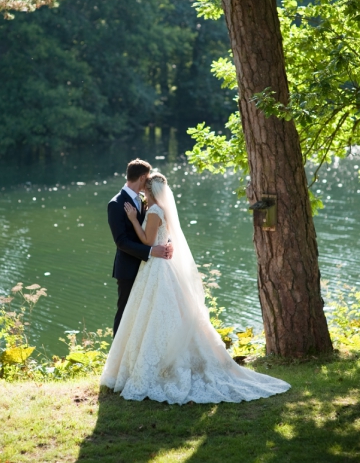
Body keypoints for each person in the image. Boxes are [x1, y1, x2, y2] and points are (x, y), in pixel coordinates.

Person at [101, 172, 290, 403]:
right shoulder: (160, 209)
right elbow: (159, 237)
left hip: (156, 268)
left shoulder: (153, 210)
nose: (143, 193)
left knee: (155, 315)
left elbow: (149, 241)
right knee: (159, 314)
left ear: (149, 190)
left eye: (146, 190)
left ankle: (155, 366)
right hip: (157, 267)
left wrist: (134, 221)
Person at [107, 159, 173, 336]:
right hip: (129, 268)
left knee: (148, 314)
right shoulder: (116, 203)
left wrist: (168, 243)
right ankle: (117, 357)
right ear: (143, 177)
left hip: (151, 268)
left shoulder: (146, 200)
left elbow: (159, 225)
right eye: (148, 177)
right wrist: (151, 251)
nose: (150, 181)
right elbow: (121, 241)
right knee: (125, 313)